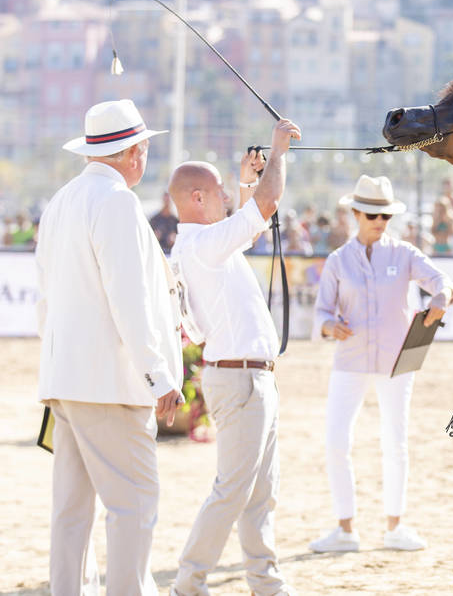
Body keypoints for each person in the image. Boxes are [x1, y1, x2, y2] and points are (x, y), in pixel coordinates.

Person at [36, 98, 183, 595]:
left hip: (67, 380)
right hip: (110, 383)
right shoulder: (116, 202)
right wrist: (158, 375)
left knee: (71, 512)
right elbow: (130, 299)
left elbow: (45, 300)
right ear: (134, 152)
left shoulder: (61, 201)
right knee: (134, 504)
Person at [167, 118, 301, 596]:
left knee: (259, 494)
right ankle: (188, 582)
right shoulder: (203, 244)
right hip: (241, 379)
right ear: (197, 199)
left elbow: (247, 221)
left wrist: (247, 181)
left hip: (247, 377)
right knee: (234, 491)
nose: (226, 197)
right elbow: (263, 208)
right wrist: (278, 152)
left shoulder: (199, 244)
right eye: (219, 191)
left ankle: (266, 584)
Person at [309, 174, 453, 554]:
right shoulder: (337, 261)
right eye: (373, 215)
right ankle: (345, 529)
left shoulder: (406, 254)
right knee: (335, 442)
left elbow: (443, 281)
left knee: (395, 442)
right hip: (350, 360)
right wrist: (330, 326)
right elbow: (320, 313)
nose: (380, 223)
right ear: (356, 214)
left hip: (399, 360)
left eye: (386, 217)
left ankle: (395, 526)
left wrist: (441, 296)